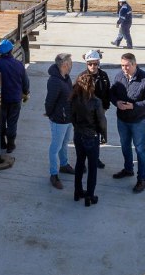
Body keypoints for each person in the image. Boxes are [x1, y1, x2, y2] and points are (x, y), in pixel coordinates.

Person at [110, 52, 145, 193]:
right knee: (125, 146)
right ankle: (128, 169)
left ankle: (142, 179)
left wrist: (134, 106)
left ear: (134, 64)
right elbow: (112, 93)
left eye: (127, 66)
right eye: (122, 65)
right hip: (122, 120)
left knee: (140, 149)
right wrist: (116, 102)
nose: (124, 68)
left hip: (139, 121)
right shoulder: (119, 77)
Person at [0, 39, 30, 153]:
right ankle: (11, 145)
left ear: (0, 53)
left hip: (1, 100)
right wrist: (26, 92)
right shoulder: (19, 64)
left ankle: (1, 143)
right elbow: (25, 81)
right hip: (15, 99)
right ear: (11, 51)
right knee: (12, 122)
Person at [70, 72, 107, 206]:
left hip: (78, 135)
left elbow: (72, 118)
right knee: (92, 167)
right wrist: (103, 135)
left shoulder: (74, 99)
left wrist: (78, 128)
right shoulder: (96, 102)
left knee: (79, 163)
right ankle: (90, 196)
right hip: (91, 136)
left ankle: (77, 191)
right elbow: (102, 122)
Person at [45, 53, 74, 189]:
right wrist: (51, 115)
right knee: (55, 147)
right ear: (64, 65)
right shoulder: (55, 81)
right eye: (70, 62)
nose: (72, 64)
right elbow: (49, 101)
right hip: (59, 119)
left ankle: (64, 165)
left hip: (68, 118)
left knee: (65, 142)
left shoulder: (66, 77)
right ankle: (54, 174)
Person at [77, 49, 110, 169]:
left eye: (95, 63)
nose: (93, 66)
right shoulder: (82, 77)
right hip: (86, 116)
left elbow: (107, 93)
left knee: (97, 138)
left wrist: (105, 108)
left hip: (100, 113)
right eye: (90, 64)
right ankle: (82, 161)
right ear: (86, 64)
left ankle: (95, 158)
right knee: (84, 139)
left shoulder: (103, 76)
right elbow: (78, 98)